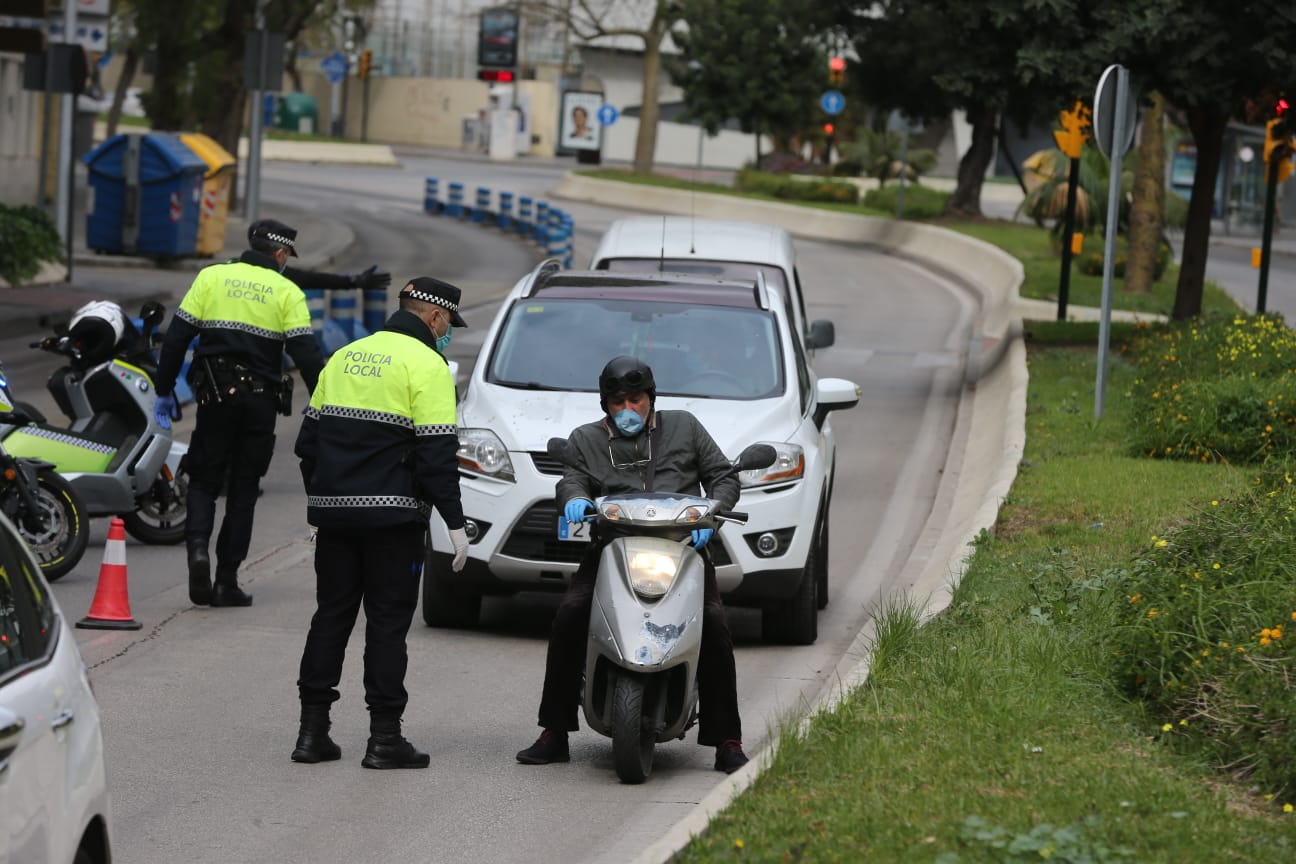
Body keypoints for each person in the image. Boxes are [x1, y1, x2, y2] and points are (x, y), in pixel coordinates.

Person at [515, 355, 751, 774]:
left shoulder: (685, 428)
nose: (628, 409)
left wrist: (712, 513)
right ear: (605, 405)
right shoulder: (586, 439)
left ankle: (727, 740)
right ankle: (554, 731)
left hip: (684, 549)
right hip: (613, 548)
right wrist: (574, 499)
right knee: (571, 614)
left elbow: (723, 476)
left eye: (635, 400)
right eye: (618, 402)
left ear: (651, 399)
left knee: (713, 624)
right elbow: (572, 477)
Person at [291, 277, 470, 770]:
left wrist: (326, 497)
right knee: (387, 627)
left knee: (331, 617)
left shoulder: (346, 355)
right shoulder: (428, 365)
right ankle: (384, 740)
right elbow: (437, 455)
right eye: (448, 324)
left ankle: (312, 735)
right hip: (393, 523)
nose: (447, 333)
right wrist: (454, 523)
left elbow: (307, 444)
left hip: (335, 519)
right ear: (435, 318)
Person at [153, 218, 324, 608]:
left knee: (203, 482)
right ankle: (226, 580)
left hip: (215, 398)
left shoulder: (211, 277)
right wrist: (323, 404)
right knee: (244, 490)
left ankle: (197, 552)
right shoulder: (287, 291)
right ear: (280, 254)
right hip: (260, 402)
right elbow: (307, 357)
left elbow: (177, 337)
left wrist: (165, 391)